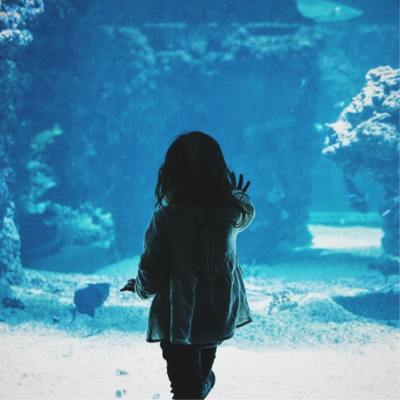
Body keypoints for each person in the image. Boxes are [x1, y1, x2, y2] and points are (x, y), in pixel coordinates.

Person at [121, 131, 255, 399]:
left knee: (185, 391)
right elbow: (246, 211)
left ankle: (201, 385)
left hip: (179, 321)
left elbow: (152, 271)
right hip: (216, 315)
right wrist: (235, 194)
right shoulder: (230, 212)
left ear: (172, 173)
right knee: (193, 386)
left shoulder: (166, 218)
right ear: (219, 170)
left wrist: (140, 289)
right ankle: (203, 383)